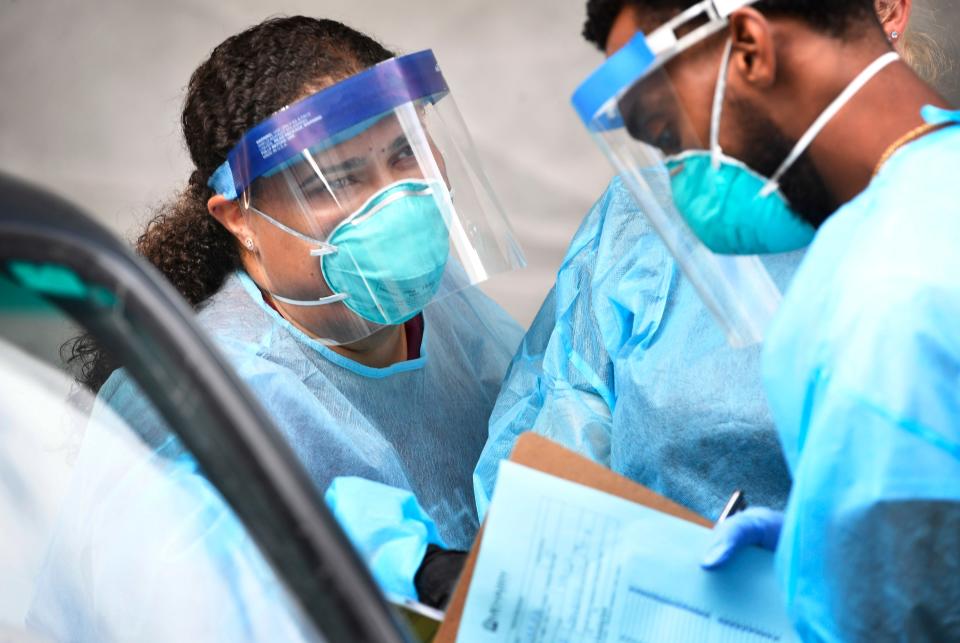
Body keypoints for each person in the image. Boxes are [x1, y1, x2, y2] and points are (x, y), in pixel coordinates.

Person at [40, 15, 524, 628]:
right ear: (238, 217)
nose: (395, 199)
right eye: (338, 179)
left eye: (405, 153)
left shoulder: (442, 306)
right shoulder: (198, 406)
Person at [575, 0, 959, 638]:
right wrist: (819, 550)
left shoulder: (888, 294)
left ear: (750, 47)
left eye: (669, 133)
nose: (681, 181)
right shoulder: (919, 200)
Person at [474, 0, 914, 523]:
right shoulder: (639, 222)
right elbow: (543, 481)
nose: (694, 168)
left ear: (886, 10)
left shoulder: (926, 225)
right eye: (666, 134)